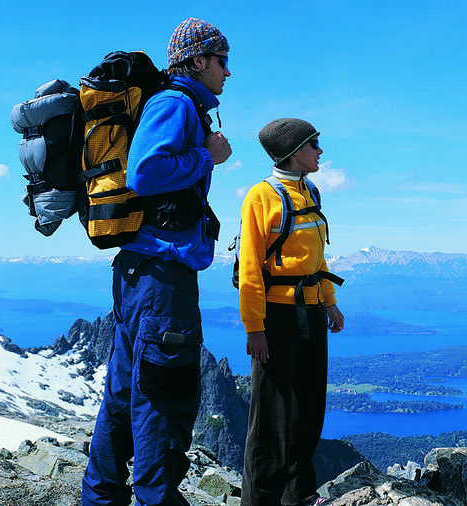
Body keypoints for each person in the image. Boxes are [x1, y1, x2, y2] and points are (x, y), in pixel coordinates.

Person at [82, 17, 232, 506]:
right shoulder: (174, 103)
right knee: (164, 396)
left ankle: (100, 497)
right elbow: (146, 173)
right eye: (222, 61)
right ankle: (156, 498)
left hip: (140, 273)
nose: (228, 73)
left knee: (125, 394)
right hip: (162, 278)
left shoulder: (176, 105)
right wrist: (207, 157)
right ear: (198, 61)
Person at [238, 118, 344, 506]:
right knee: (271, 417)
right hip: (277, 318)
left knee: (309, 407)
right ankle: (260, 500)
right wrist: (255, 327)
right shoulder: (260, 197)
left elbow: (316, 256)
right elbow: (249, 266)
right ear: (293, 152)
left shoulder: (310, 191)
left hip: (312, 312)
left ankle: (299, 495)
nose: (319, 151)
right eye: (314, 144)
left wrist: (329, 301)